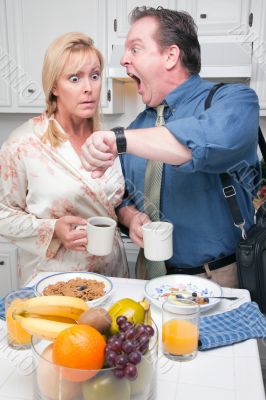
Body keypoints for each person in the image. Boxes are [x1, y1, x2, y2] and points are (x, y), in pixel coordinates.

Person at [80, 7, 260, 288]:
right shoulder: (139, 126)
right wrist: (131, 216)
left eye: (135, 49)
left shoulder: (233, 101)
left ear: (170, 56)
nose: (124, 60)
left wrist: (119, 139)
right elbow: (124, 197)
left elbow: (206, 142)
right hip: (150, 277)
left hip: (220, 278)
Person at [0, 32, 128, 285]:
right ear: (54, 86)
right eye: (74, 78)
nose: (89, 88)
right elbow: (2, 215)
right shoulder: (24, 143)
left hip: (112, 277)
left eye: (94, 76)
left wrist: (132, 217)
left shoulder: (105, 141)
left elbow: (112, 203)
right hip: (54, 282)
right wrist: (53, 229)